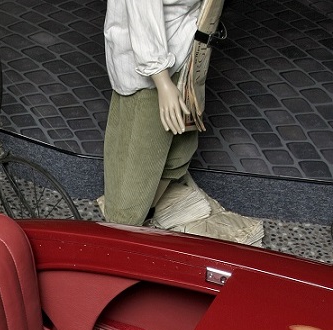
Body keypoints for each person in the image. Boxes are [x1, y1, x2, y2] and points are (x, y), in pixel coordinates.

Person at [101, 0, 264, 244]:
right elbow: (142, 18)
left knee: (179, 150)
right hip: (150, 70)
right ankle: (121, 236)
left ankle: (146, 217)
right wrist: (162, 82)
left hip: (187, 52)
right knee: (134, 175)